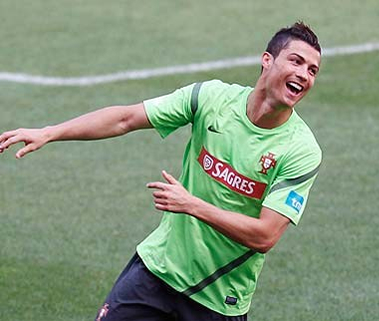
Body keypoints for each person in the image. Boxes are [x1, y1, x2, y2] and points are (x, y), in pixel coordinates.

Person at [0, 21, 322, 321]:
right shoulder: (211, 98)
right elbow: (125, 119)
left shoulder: (300, 150)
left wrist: (191, 204)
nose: (304, 75)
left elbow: (265, 235)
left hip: (219, 298)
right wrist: (50, 131)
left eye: (312, 70)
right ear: (267, 60)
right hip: (157, 270)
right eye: (296, 61)